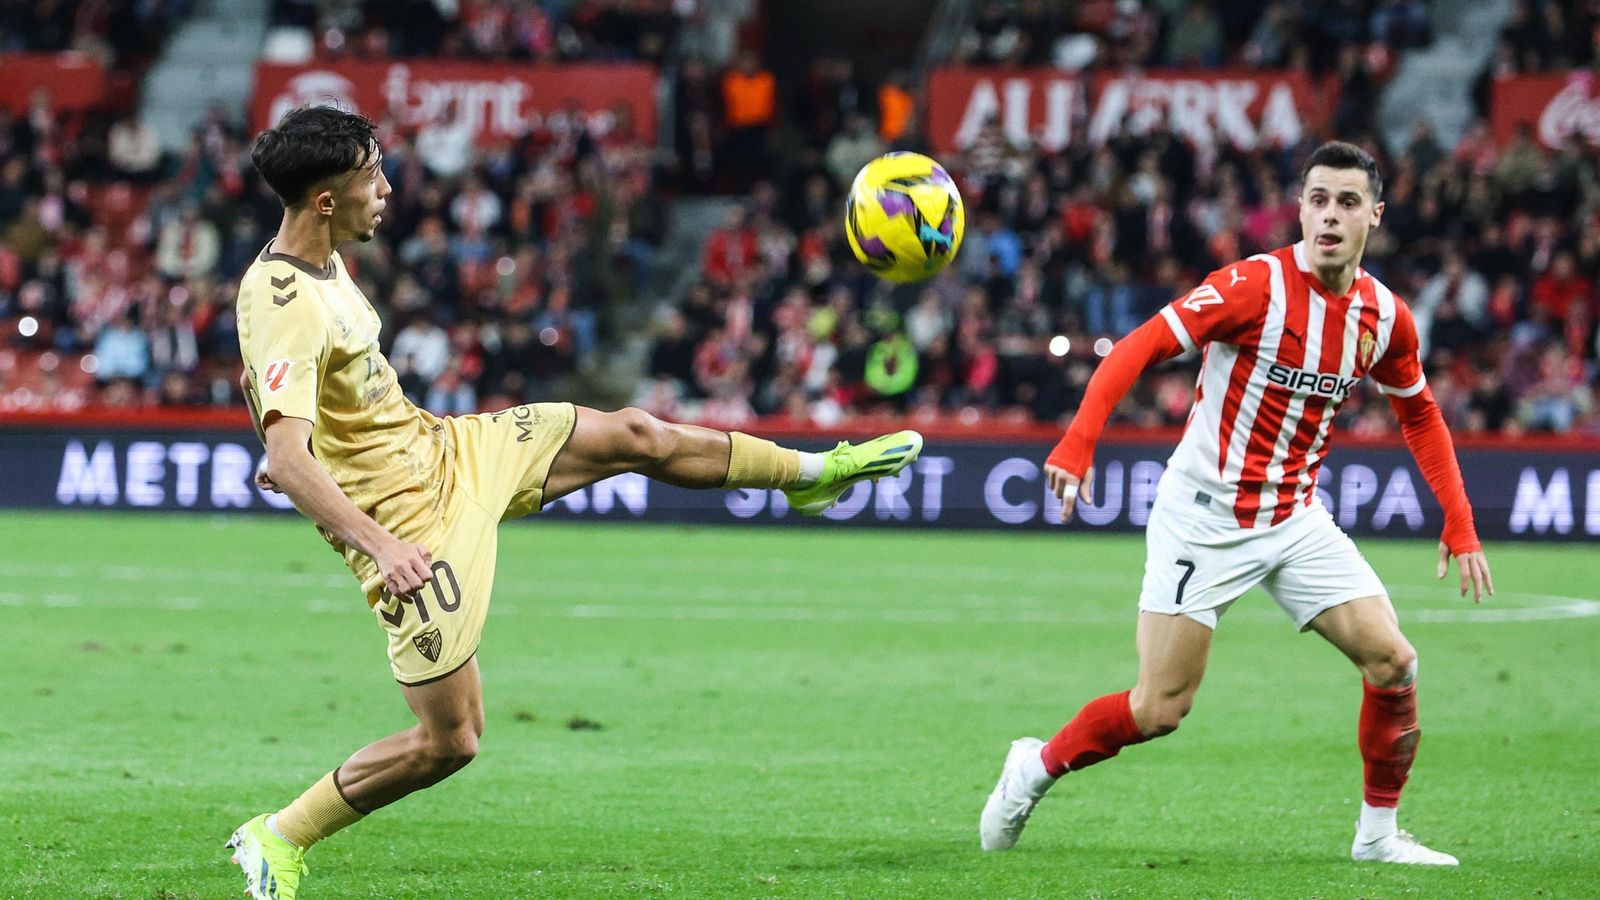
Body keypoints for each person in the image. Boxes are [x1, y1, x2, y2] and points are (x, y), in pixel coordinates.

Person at [224, 106, 923, 900]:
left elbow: (293, 409)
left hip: (447, 450)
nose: (385, 189)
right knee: (450, 742)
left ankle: (814, 473)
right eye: (370, 178)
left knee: (635, 434)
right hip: (410, 527)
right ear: (323, 201)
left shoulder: (325, 264)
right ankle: (276, 836)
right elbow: (285, 450)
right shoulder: (282, 297)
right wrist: (376, 541)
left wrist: (305, 442)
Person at [978, 141, 1494, 866]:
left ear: (1374, 216)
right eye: (1317, 199)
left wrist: (1460, 521)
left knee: (1393, 661)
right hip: (1204, 516)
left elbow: (1420, 413)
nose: (1329, 216)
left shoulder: (1383, 316)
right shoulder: (1254, 287)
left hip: (1293, 516)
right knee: (1160, 709)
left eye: (1347, 203)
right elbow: (1139, 345)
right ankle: (1033, 768)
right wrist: (1078, 440)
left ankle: (1377, 836)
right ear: (1300, 207)